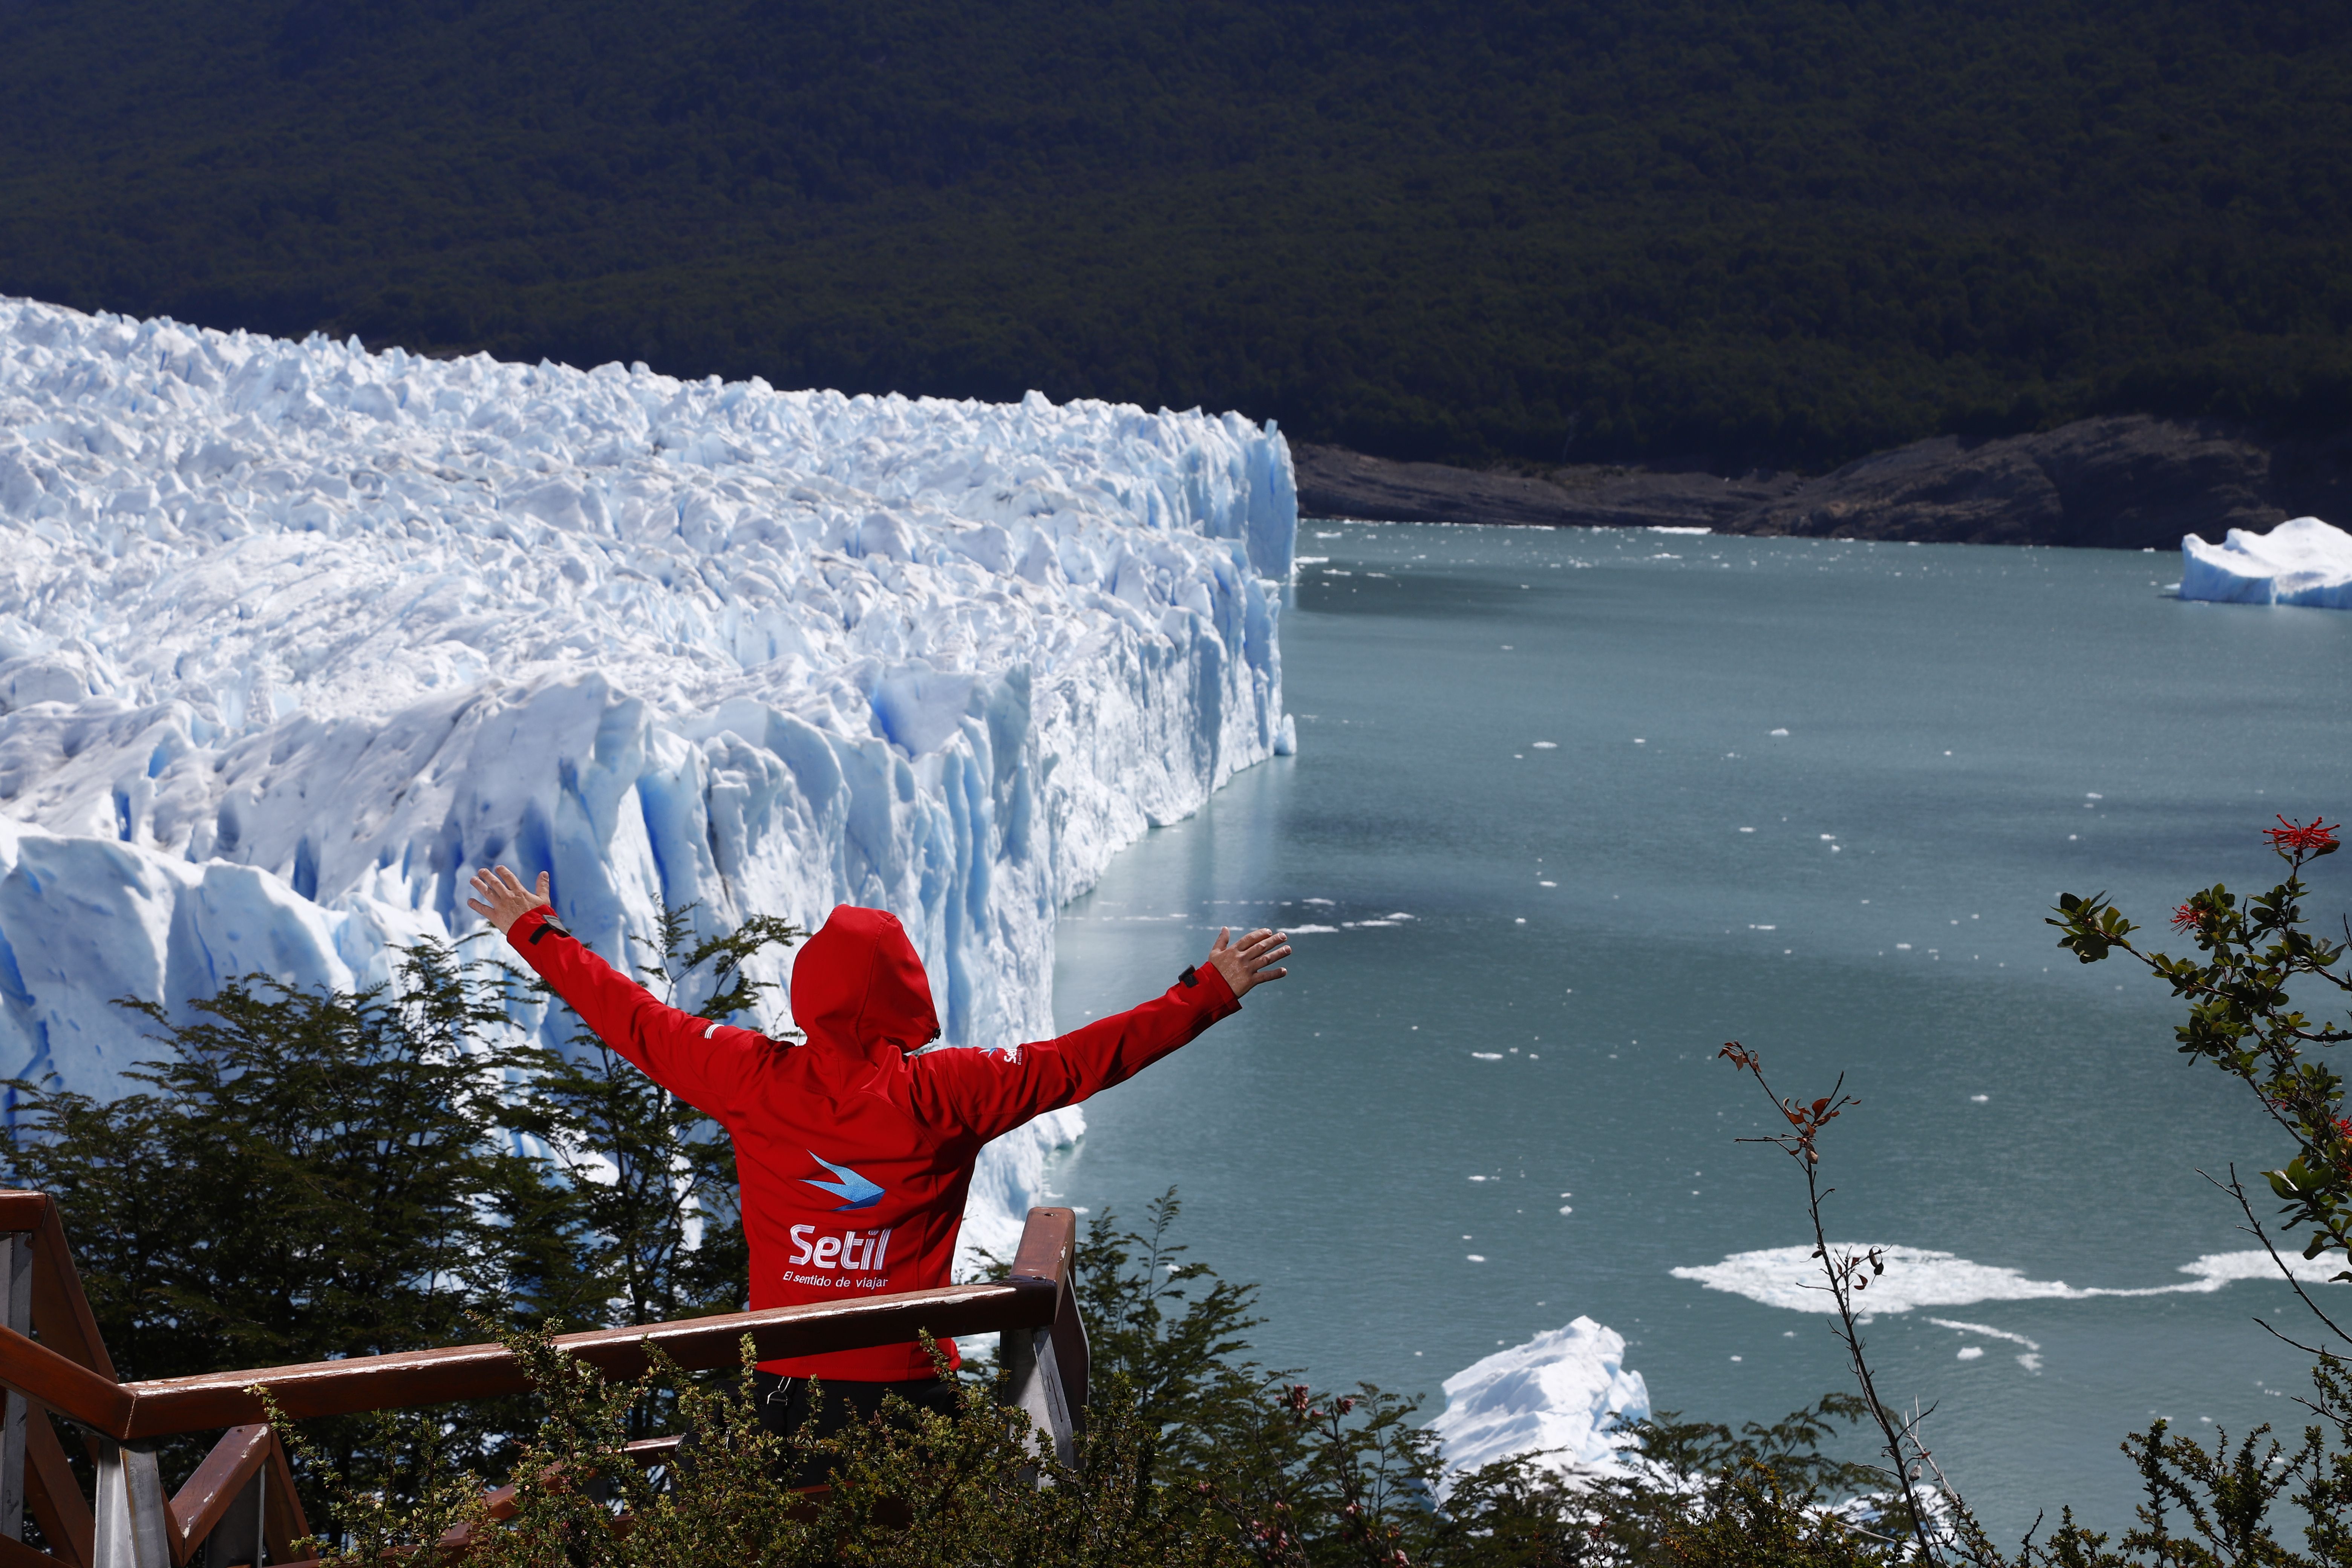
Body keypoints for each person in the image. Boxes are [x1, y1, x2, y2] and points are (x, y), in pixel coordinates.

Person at [466, 865, 1290, 1473]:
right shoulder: (951, 1092)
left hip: (775, 1397)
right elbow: (1079, 1061)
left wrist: (536, 931)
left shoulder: (749, 1076)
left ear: (809, 989)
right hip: (907, 1404)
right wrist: (1204, 992)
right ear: (908, 992)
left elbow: (635, 1019)